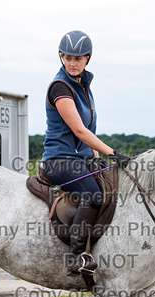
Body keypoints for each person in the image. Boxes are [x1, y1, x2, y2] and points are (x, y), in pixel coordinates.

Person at [41, 30, 130, 276]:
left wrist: (96, 156)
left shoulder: (83, 86)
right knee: (92, 195)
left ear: (87, 59)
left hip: (80, 160)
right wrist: (112, 152)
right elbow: (79, 130)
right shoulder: (60, 86)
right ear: (61, 57)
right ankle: (76, 257)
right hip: (60, 161)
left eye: (77, 59)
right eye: (67, 57)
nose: (72, 63)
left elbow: (88, 130)